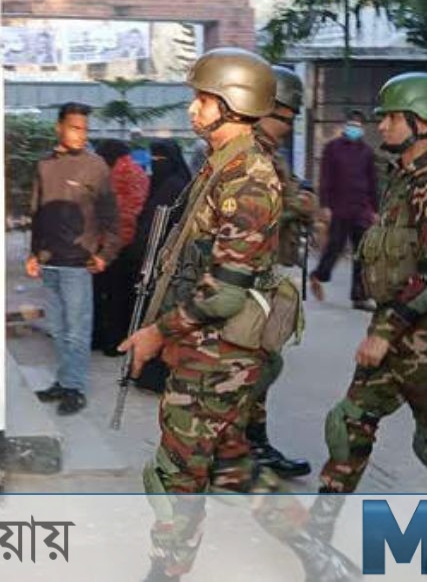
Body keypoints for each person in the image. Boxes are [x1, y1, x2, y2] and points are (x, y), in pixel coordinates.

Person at [117, 48, 285, 581]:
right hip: (208, 347)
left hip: (219, 355)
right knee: (232, 466)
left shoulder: (248, 180)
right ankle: (316, 547)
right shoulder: (219, 166)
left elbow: (224, 294)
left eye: (204, 100)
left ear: (233, 104)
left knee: (175, 475)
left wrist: (157, 332)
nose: (193, 108)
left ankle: (166, 570)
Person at [317, 72, 427, 501]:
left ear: (422, 123)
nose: (382, 126)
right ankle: (319, 527)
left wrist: (383, 333)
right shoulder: (402, 178)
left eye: (392, 118)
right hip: (392, 327)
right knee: (349, 425)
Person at [26, 102, 121, 415]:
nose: (81, 134)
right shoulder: (44, 166)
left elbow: (111, 218)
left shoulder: (96, 167)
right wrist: (33, 253)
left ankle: (74, 388)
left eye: (85, 129)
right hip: (49, 262)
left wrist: (105, 254)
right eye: (75, 128)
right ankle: (64, 380)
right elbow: (37, 212)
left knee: (77, 331)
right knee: (57, 328)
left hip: (78, 264)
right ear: (59, 128)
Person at [246, 65, 317, 479]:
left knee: (263, 362)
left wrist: (301, 202)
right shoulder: (246, 153)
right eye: (283, 118)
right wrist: (295, 206)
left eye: (292, 120)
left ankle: (254, 444)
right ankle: (231, 451)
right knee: (254, 366)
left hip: (265, 272)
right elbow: (255, 212)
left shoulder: (272, 154)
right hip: (241, 275)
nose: (288, 127)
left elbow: (287, 197)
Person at [132, 139, 192, 393]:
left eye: (160, 160)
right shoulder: (173, 183)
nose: (156, 164)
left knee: (159, 317)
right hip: (160, 263)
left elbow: (159, 226)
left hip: (167, 265)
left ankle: (157, 377)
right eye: (153, 159)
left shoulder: (173, 187)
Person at [311, 108, 378, 310]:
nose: (354, 128)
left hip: (361, 209)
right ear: (345, 125)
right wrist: (325, 205)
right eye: (352, 125)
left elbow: (373, 182)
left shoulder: (367, 152)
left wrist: (375, 209)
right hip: (339, 207)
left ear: (363, 128)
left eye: (358, 125)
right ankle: (318, 275)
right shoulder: (332, 148)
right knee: (335, 246)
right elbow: (325, 178)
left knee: (361, 254)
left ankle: (359, 296)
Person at [91, 139, 149, 356]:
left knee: (104, 294)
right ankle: (115, 340)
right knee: (120, 295)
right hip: (129, 245)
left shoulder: (111, 173)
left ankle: (103, 339)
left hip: (109, 244)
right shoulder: (138, 172)